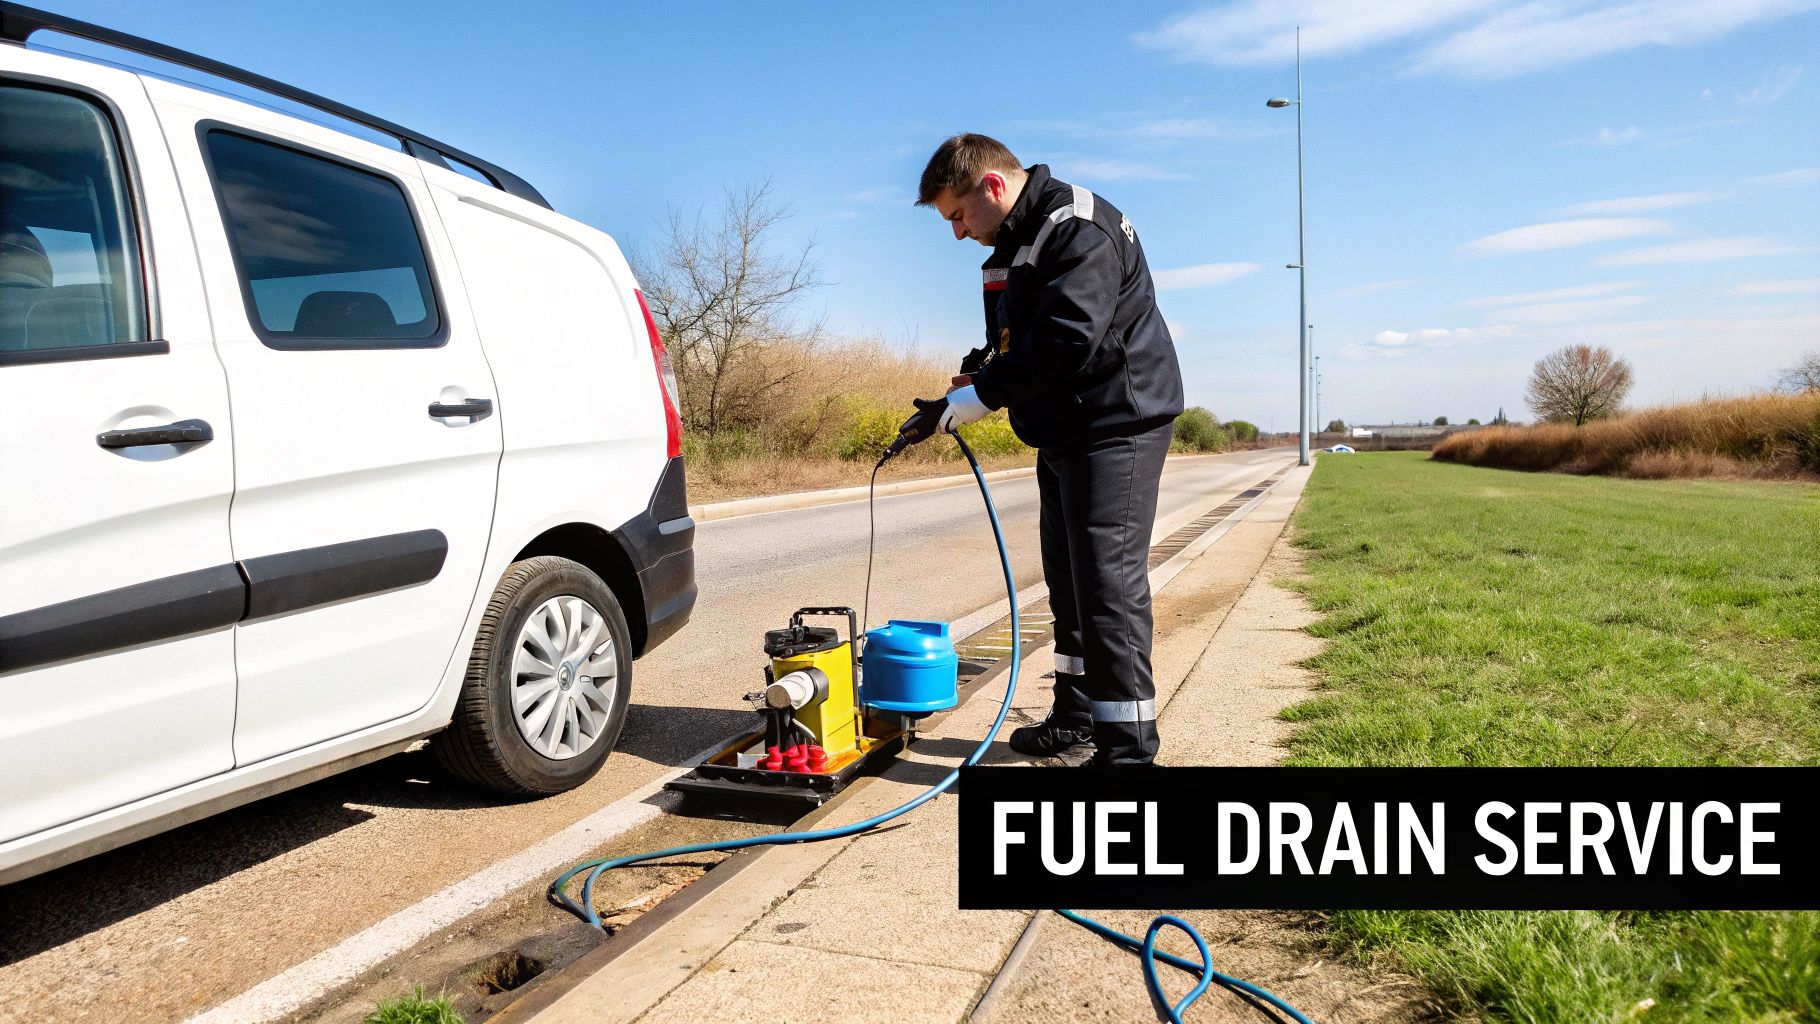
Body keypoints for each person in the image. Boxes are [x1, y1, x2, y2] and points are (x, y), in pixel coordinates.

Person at [916, 134, 1184, 766]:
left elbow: (1068, 339)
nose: (956, 234)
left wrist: (983, 398)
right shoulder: (1015, 240)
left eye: (957, 214)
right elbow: (1020, 338)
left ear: (991, 185)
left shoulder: (1075, 227)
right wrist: (980, 374)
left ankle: (1128, 753)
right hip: (1068, 427)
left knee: (1108, 587)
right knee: (1069, 584)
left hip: (1118, 424)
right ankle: (1077, 718)